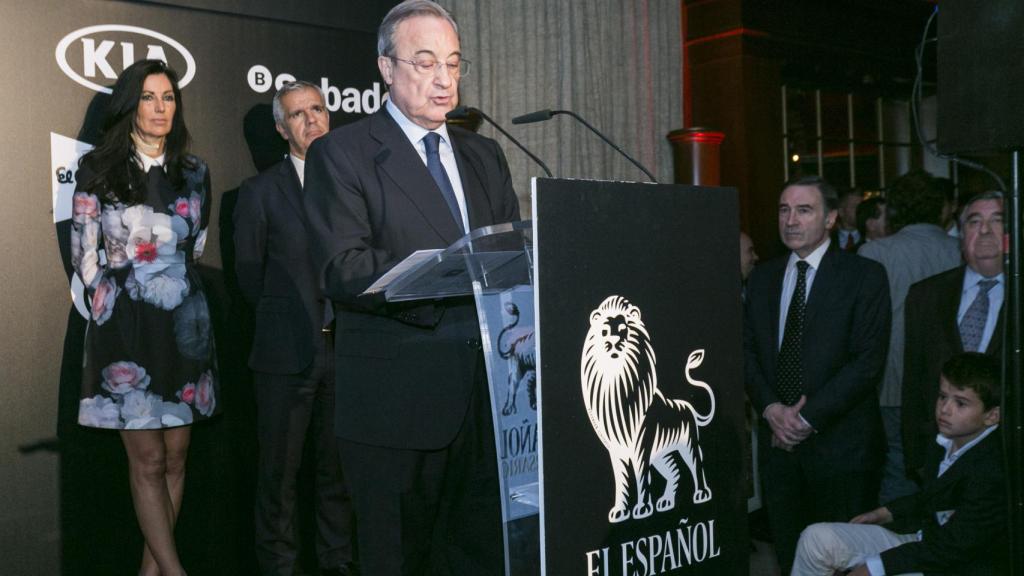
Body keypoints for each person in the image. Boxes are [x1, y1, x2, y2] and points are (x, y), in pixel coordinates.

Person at [301, 1, 520, 574]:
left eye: (453, 63)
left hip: (488, 404)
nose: (443, 79)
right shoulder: (342, 153)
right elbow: (342, 268)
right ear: (386, 67)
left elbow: (507, 259)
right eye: (425, 63)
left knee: (478, 556)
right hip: (396, 406)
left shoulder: (483, 153)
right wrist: (442, 267)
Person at [70, 59, 217, 576]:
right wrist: (115, 303)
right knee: (148, 461)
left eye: (169, 97)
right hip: (125, 328)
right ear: (131, 105)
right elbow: (85, 258)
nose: (161, 108)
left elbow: (195, 245)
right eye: (150, 97)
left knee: (177, 459)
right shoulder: (99, 170)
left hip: (182, 327)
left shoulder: (195, 171)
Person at [234, 81, 356, 576]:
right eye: (299, 115)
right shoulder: (260, 192)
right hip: (287, 357)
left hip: (348, 353)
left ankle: (337, 566)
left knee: (338, 476)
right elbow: (249, 277)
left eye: (318, 109)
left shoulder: (355, 186)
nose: (313, 121)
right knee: (278, 481)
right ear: (282, 129)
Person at [743, 175, 890, 572]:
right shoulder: (763, 277)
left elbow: (867, 363)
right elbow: (747, 353)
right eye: (783, 210)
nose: (790, 220)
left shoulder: (864, 275)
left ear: (830, 219)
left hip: (843, 450)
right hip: (779, 451)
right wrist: (772, 407)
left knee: (845, 561)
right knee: (793, 558)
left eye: (804, 210)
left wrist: (806, 418)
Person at [791, 352, 1006, 576]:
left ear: (992, 416)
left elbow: (952, 547)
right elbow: (934, 495)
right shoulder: (946, 437)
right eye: (943, 397)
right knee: (816, 539)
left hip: (954, 565)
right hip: (925, 543)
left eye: (960, 403)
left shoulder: (993, 468)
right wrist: (884, 512)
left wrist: (873, 568)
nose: (945, 409)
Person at [857, 170, 962, 505]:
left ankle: (896, 551)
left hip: (893, 381)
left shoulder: (876, 254)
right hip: (955, 383)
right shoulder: (961, 249)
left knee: (898, 471)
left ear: (895, 210)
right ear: (941, 208)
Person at [902, 191, 1005, 482]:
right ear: (961, 235)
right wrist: (915, 457)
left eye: (997, 221)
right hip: (938, 458)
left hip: (1009, 462)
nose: (985, 231)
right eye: (974, 222)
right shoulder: (926, 295)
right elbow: (913, 380)